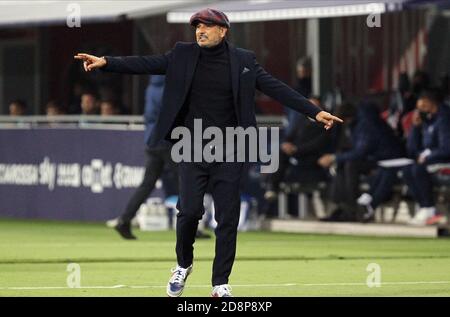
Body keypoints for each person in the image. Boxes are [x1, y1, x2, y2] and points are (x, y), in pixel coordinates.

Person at [74, 8, 342, 297]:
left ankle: (220, 283)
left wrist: (314, 112)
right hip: (191, 146)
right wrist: (106, 62)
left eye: (207, 26)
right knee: (189, 212)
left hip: (231, 148)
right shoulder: (182, 55)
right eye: (197, 26)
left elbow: (277, 88)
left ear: (223, 30)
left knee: (227, 218)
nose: (200, 31)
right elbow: (147, 63)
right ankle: (183, 264)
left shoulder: (244, 61)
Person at [113, 75, 211, 241]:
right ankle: (191, 228)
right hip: (169, 142)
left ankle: (124, 219)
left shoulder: (152, 87)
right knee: (187, 183)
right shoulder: (170, 87)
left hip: (153, 140)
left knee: (148, 184)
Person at [319, 101, 404, 222]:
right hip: (374, 158)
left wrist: (334, 158)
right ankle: (344, 207)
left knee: (350, 164)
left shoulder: (366, 124)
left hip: (387, 159)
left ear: (347, 119)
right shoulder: (358, 123)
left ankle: (353, 208)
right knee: (344, 164)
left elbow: (361, 152)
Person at [401, 90, 450, 226]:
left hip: (444, 160)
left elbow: (446, 148)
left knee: (418, 169)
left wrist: (428, 156)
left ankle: (429, 208)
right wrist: (415, 128)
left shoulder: (444, 119)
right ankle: (424, 207)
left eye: (423, 107)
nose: (420, 111)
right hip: (430, 160)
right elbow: (411, 149)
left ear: (432, 104)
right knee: (406, 170)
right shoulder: (427, 121)